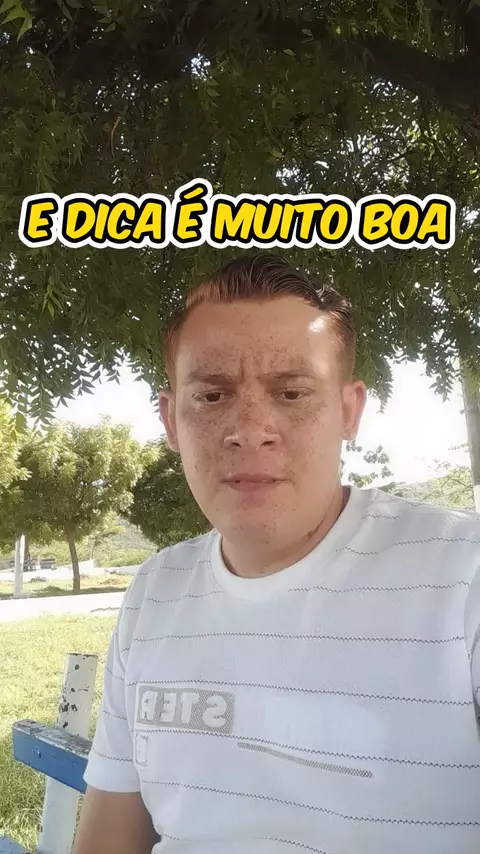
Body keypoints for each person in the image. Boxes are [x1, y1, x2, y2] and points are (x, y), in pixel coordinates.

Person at [73, 252, 480, 854]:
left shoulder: (464, 575)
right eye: (212, 395)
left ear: (348, 412)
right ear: (170, 420)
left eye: (291, 392)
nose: (249, 429)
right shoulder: (154, 592)